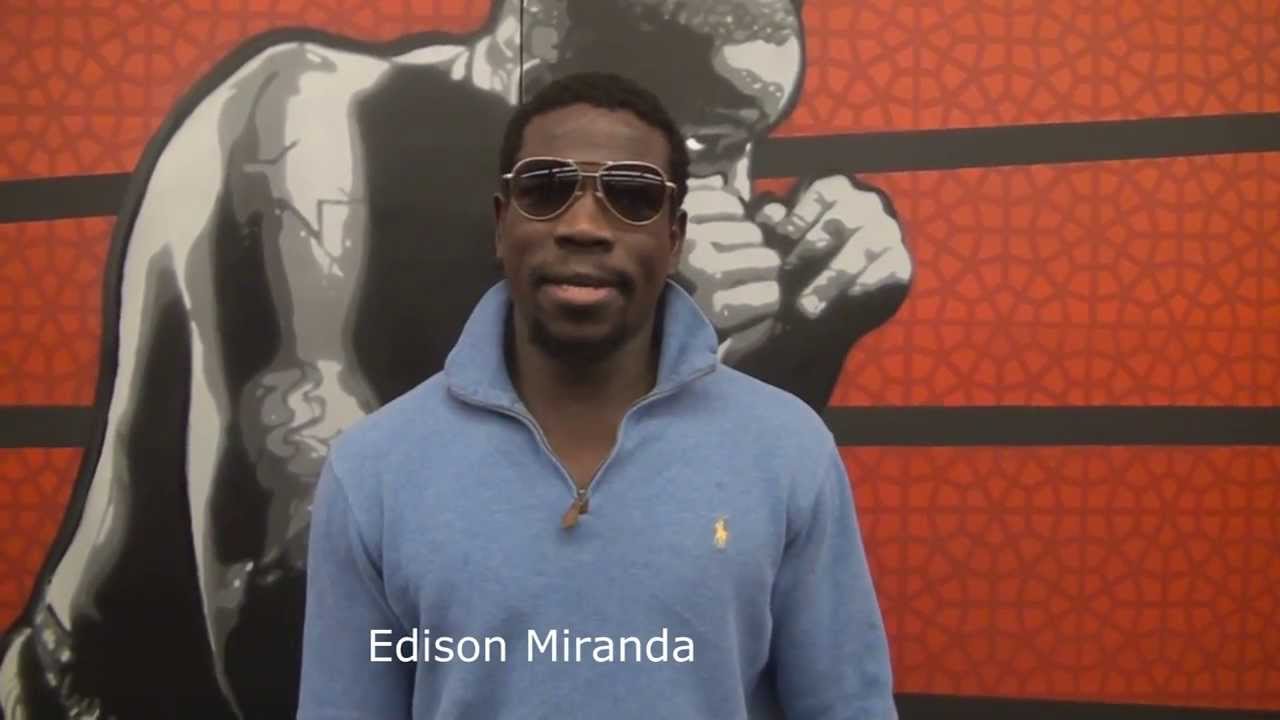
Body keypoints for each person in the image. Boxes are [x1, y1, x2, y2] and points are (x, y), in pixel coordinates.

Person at [1, 1, 911, 717]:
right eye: (701, 150)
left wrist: (790, 349)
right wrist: (645, 336)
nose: (734, 201)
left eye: (743, 149)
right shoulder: (309, 128)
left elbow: (660, 599)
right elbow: (281, 648)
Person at [297, 70, 896, 720]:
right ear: (501, 225)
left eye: (632, 196)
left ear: (674, 238)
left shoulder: (788, 451)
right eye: (546, 190)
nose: (583, 226)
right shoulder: (376, 470)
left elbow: (847, 707)